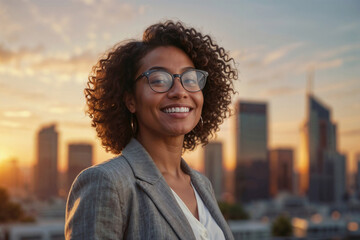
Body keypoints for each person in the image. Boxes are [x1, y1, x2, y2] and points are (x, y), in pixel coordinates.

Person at [65, 20, 237, 240]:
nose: (179, 91)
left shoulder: (202, 184)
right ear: (130, 100)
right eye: (158, 79)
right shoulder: (107, 182)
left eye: (190, 78)